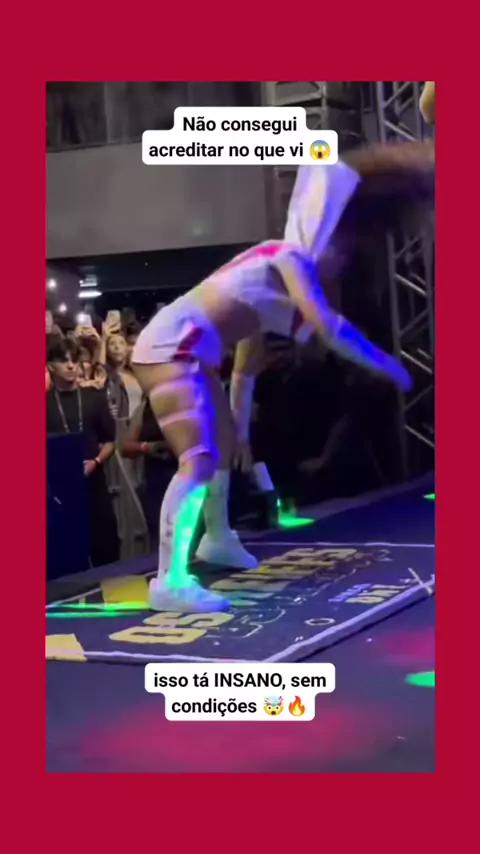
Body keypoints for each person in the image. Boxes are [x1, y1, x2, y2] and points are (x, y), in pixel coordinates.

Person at [131, 139, 435, 614]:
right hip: (170, 349)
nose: (341, 261)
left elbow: (244, 371)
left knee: (220, 448)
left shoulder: (276, 297)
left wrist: (239, 434)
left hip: (194, 355)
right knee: (199, 459)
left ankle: (218, 537)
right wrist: (388, 364)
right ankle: (169, 581)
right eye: (339, 247)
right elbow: (329, 328)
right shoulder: (287, 257)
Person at [46, 337, 120, 567]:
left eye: (74, 360)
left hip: (94, 480)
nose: (71, 366)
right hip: (59, 488)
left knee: (106, 545)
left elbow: (110, 441)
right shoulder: (44, 403)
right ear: (50, 366)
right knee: (67, 553)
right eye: (63, 361)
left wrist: (95, 461)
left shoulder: (94, 397)